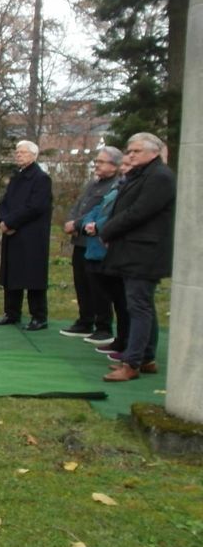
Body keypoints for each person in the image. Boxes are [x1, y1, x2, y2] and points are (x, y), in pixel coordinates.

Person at [93, 132, 175, 382]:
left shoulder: (160, 177)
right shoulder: (143, 175)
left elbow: (139, 212)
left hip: (145, 252)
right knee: (142, 305)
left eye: (135, 151)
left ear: (154, 152)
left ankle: (132, 362)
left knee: (138, 307)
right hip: (134, 250)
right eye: (129, 151)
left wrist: (107, 229)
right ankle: (146, 358)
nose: (130, 155)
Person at [59, 146, 121, 340]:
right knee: (82, 283)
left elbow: (100, 211)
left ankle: (103, 326)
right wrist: (71, 221)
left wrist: (77, 223)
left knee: (98, 287)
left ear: (115, 166)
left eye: (101, 162)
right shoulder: (93, 184)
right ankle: (85, 321)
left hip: (96, 243)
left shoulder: (116, 186)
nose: (97, 165)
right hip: (80, 240)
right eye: (97, 161)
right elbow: (79, 205)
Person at [0, 140, 53, 331]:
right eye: (17, 152)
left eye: (23, 152)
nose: (18, 155)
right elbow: (5, 203)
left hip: (31, 234)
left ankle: (39, 316)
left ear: (34, 155)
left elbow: (35, 206)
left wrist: (11, 222)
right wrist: (2, 221)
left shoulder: (41, 178)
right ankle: (11, 312)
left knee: (32, 275)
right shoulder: (16, 177)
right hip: (12, 233)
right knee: (12, 275)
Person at [81, 154, 134, 359]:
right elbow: (96, 208)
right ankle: (120, 339)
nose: (125, 167)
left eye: (128, 164)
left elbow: (121, 214)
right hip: (96, 243)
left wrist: (101, 227)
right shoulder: (116, 187)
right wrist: (87, 223)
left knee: (122, 300)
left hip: (112, 245)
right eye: (125, 164)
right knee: (110, 294)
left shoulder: (129, 188)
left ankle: (126, 341)